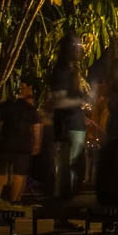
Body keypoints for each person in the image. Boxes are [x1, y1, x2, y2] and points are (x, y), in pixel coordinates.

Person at [48, 39, 92, 199]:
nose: (80, 50)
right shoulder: (61, 72)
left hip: (73, 125)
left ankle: (67, 199)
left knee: (72, 166)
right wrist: (81, 101)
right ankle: (64, 202)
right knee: (68, 167)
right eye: (77, 47)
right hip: (68, 127)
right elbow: (58, 101)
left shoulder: (71, 70)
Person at [0, 81, 41, 201]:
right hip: (24, 145)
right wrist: (37, 144)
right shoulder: (30, 108)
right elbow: (36, 127)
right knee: (19, 173)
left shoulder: (3, 105)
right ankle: (14, 200)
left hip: (5, 142)